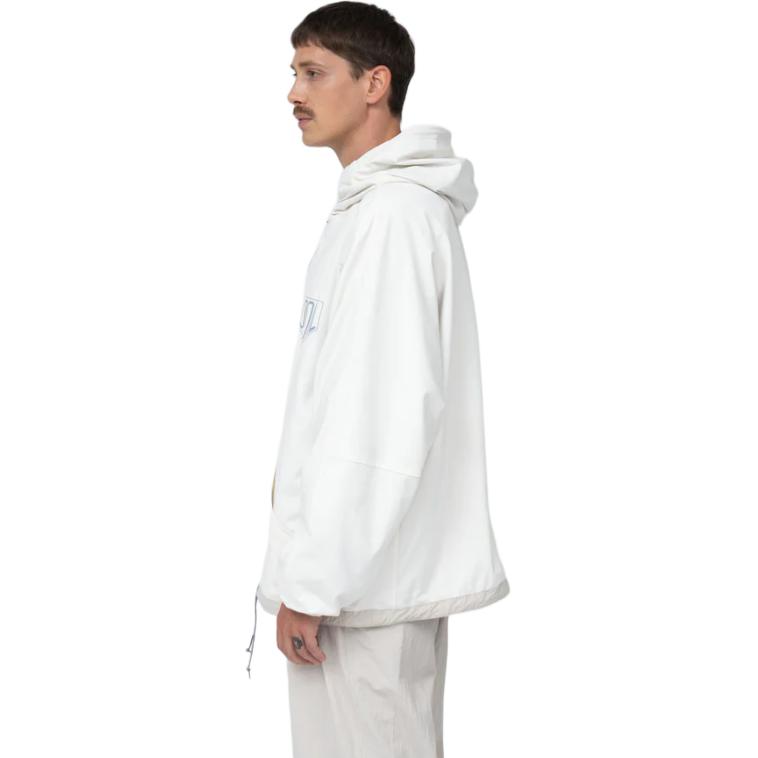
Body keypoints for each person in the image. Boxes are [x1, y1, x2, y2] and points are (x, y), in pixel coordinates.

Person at [246, 2, 510, 755]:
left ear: (375, 84)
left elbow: (378, 419)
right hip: (359, 583)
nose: (293, 93)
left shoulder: (392, 218)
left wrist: (313, 586)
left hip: (362, 592)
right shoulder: (371, 212)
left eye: (313, 72)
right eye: (294, 73)